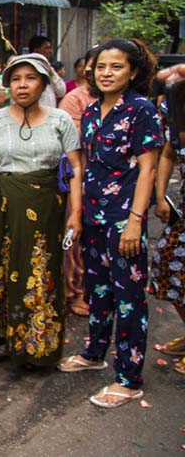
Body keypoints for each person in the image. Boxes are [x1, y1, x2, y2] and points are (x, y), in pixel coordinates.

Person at [0, 53, 82, 377]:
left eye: (30, 78)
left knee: (40, 272)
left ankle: (35, 346)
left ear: (43, 83)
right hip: (2, 206)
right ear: (8, 84)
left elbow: (75, 169)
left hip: (46, 211)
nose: (23, 84)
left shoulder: (60, 121)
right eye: (16, 79)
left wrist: (76, 214)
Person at [57, 38, 163, 408]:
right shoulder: (89, 112)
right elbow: (83, 167)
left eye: (116, 67)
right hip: (94, 215)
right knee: (98, 290)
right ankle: (93, 353)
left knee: (129, 298)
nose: (106, 73)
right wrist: (78, 213)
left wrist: (135, 221)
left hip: (124, 218)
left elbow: (148, 168)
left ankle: (129, 378)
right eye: (101, 66)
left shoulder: (142, 110)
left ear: (133, 71)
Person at [58, 47, 99, 317]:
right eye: (97, 65)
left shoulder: (128, 103)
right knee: (74, 237)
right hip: (80, 178)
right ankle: (73, 292)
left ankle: (97, 290)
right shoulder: (75, 100)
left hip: (114, 185)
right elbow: (74, 147)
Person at [150, 63, 185, 375]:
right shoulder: (177, 121)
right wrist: (160, 196)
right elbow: (168, 155)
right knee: (166, 265)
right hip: (183, 214)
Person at [28, 35, 66, 108]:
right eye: (46, 48)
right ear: (36, 50)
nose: (50, 51)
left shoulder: (49, 68)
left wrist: (52, 74)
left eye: (50, 48)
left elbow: (61, 91)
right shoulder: (26, 68)